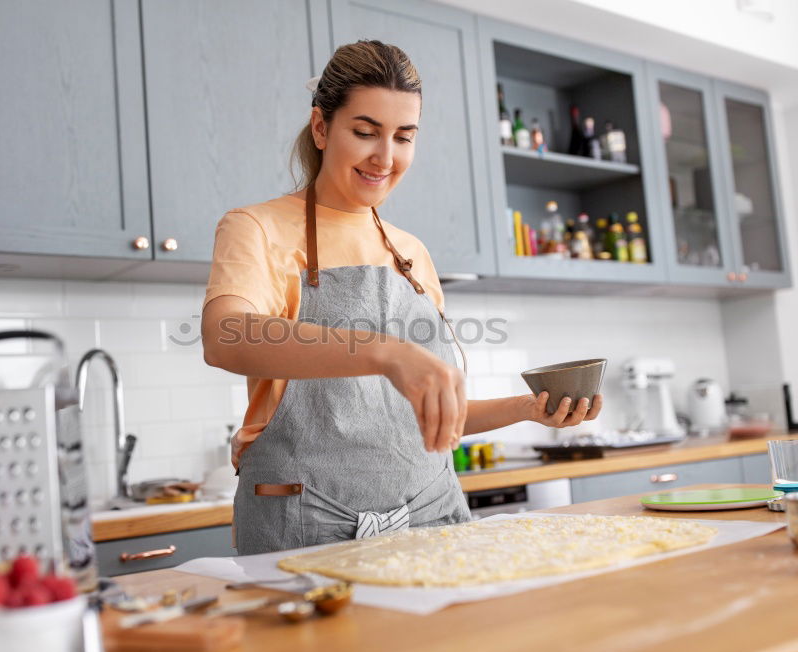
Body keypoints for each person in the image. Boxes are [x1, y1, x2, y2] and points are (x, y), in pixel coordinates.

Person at [201, 40, 602, 555]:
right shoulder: (256, 226)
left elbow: (418, 418)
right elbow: (224, 336)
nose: (385, 158)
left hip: (433, 517)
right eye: (365, 133)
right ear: (321, 127)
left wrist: (528, 408)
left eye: (404, 137)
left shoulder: (411, 254)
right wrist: (385, 351)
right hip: (306, 522)